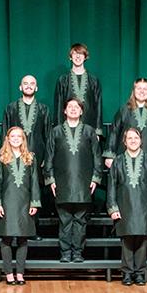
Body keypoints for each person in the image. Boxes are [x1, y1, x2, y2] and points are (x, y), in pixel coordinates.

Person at [44, 98, 103, 263]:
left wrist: (96, 178)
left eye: (76, 107)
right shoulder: (55, 131)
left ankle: (77, 252)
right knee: (65, 220)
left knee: (80, 220)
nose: (73, 109)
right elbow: (49, 157)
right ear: (64, 111)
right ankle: (65, 252)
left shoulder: (89, 131)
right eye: (70, 106)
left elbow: (97, 157)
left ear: (81, 111)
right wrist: (51, 180)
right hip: (62, 183)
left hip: (84, 184)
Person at [107, 128, 147, 286]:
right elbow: (111, 186)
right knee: (127, 240)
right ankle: (127, 272)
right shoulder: (117, 161)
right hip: (124, 207)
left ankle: (139, 273)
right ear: (124, 141)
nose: (133, 140)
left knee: (141, 241)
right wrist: (113, 208)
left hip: (144, 208)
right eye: (129, 138)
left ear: (141, 140)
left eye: (135, 137)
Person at [0, 127, 41, 285]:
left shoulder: (30, 157)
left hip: (25, 203)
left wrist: (34, 202)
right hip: (7, 202)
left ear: (23, 139)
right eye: (13, 136)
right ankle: (8, 273)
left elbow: (34, 182)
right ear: (7, 138)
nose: (16, 138)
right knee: (6, 238)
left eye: (19, 136)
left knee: (22, 239)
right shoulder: (1, 158)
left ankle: (20, 273)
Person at [4, 75, 53, 216]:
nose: (29, 86)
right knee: (14, 187)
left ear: (36, 88)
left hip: (38, 155)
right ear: (20, 87)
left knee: (35, 188)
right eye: (25, 83)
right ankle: (13, 226)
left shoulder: (44, 109)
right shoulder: (11, 108)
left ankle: (34, 227)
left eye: (32, 83)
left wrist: (47, 158)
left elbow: (48, 136)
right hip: (13, 155)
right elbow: (5, 133)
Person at [104, 78, 147, 170]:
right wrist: (110, 155)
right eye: (139, 88)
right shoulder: (124, 110)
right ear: (133, 91)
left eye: (145, 89)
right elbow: (114, 131)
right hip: (126, 161)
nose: (142, 91)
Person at [53, 43, 103, 136]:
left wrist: (97, 131)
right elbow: (59, 106)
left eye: (81, 54)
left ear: (85, 57)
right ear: (70, 57)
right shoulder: (63, 80)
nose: (78, 56)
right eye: (75, 54)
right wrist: (58, 131)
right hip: (66, 129)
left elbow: (98, 106)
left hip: (89, 128)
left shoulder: (94, 81)